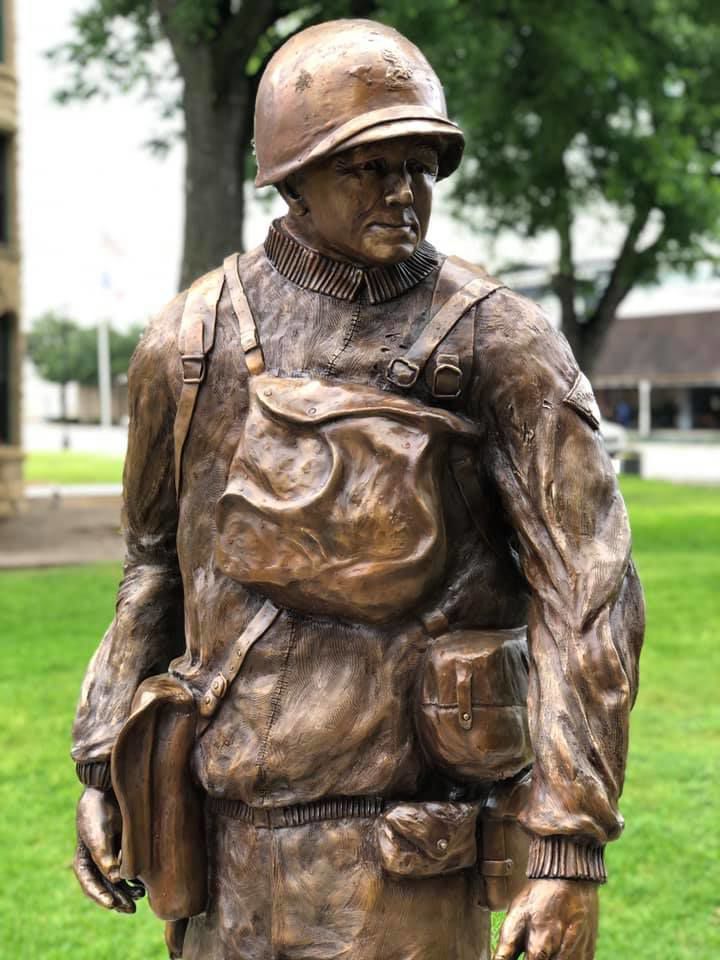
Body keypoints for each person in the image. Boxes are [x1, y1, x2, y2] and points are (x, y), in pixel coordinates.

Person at [71, 19, 644, 960]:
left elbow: (590, 590)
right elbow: (152, 572)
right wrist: (103, 764)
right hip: (223, 860)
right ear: (289, 178)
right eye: (364, 167)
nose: (402, 191)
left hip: (409, 863)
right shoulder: (186, 345)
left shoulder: (496, 341)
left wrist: (567, 844)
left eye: (417, 164)